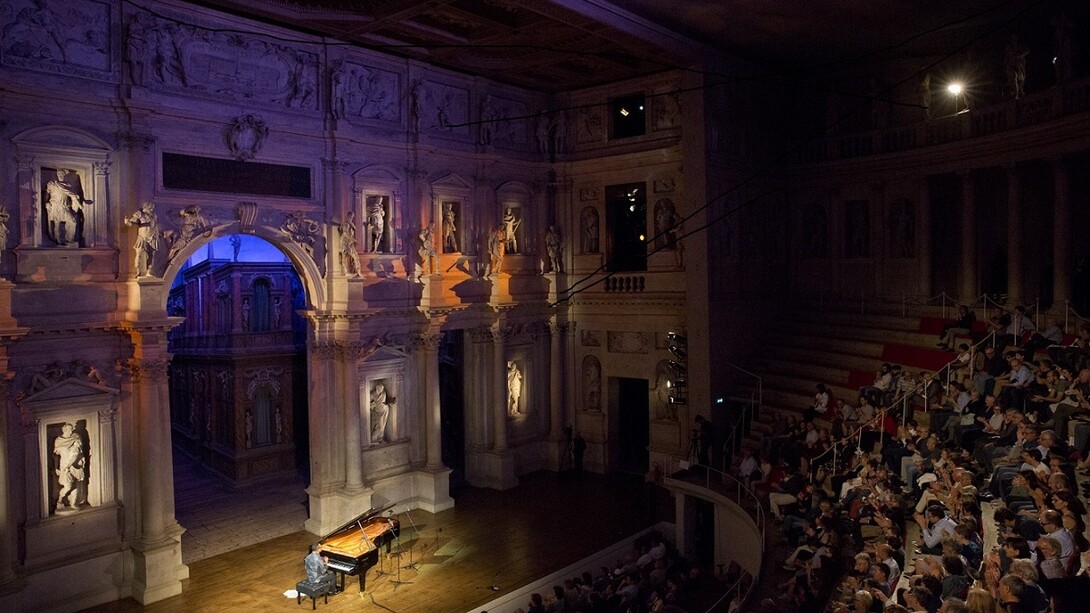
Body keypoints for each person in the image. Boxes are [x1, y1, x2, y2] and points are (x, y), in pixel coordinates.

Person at [44, 168, 85, 246]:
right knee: (57, 224)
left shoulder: (67, 185)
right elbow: (46, 194)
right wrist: (46, 202)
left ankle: (69, 239)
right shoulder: (52, 184)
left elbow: (72, 195)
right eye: (59, 174)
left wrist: (78, 203)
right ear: (57, 175)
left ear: (64, 175)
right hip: (55, 206)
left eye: (62, 174)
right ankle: (59, 242)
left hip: (65, 206)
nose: (60, 175)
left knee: (73, 221)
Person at [53, 422, 84, 511]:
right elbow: (56, 456)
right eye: (70, 430)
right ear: (65, 430)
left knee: (74, 486)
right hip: (64, 466)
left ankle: (73, 503)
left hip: (74, 466)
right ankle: (59, 500)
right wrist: (56, 467)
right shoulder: (58, 440)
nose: (71, 431)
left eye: (72, 429)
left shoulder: (76, 437)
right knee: (68, 486)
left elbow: (77, 453)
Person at [124, 201, 158, 278]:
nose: (152, 208)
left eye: (153, 207)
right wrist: (127, 222)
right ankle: (138, 271)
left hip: (152, 236)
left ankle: (149, 271)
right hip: (142, 236)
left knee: (151, 255)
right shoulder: (140, 213)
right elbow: (132, 222)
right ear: (147, 206)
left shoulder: (153, 215)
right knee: (139, 254)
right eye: (151, 206)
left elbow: (154, 226)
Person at [338, 211, 362, 276]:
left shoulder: (350, 224)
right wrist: (352, 240)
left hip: (349, 243)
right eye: (351, 217)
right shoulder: (346, 224)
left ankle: (357, 271)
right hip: (345, 242)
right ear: (348, 216)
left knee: (354, 257)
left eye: (352, 217)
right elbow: (345, 233)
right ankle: (345, 271)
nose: (351, 218)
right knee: (346, 256)